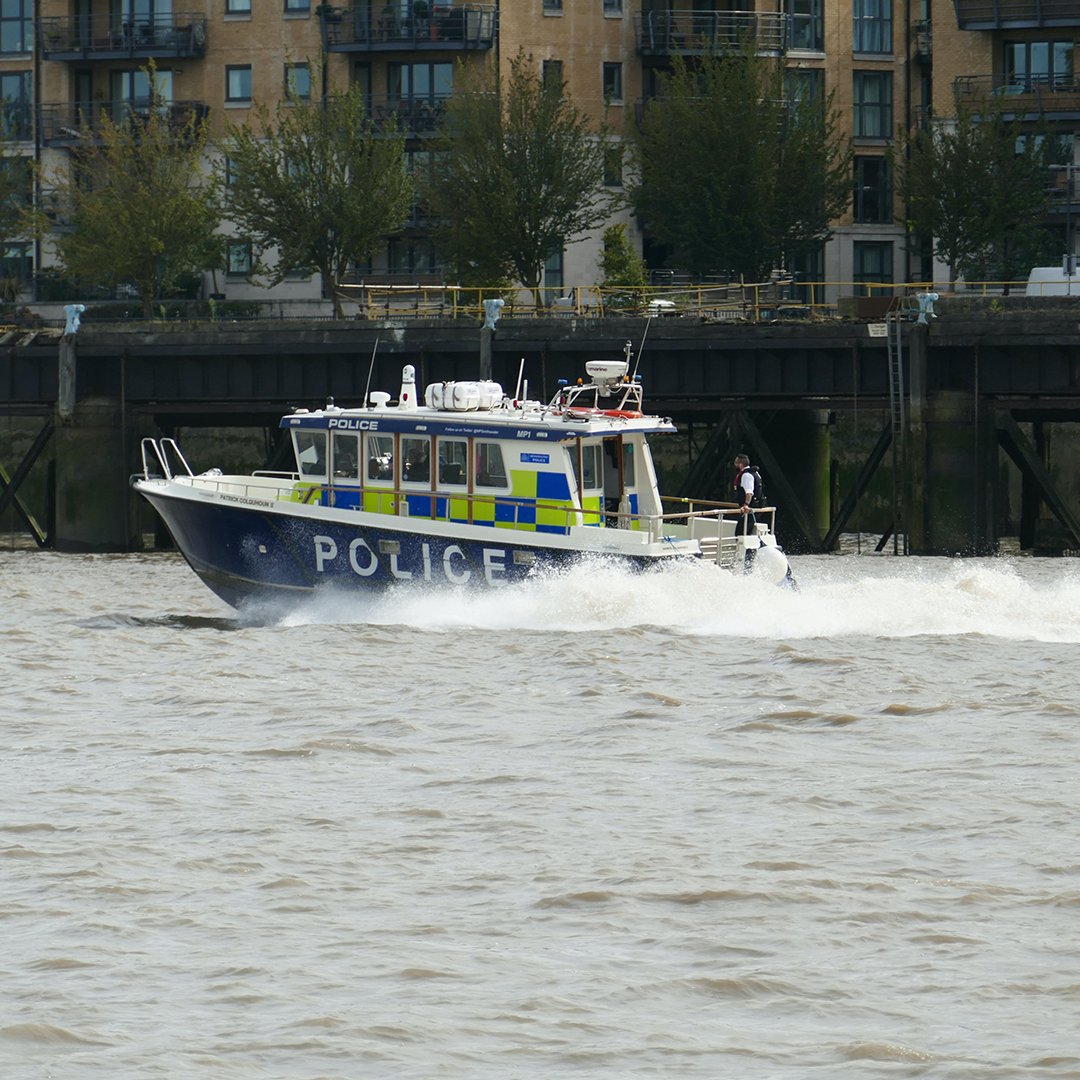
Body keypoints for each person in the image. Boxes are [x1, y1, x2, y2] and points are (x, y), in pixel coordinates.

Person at [733, 453, 757, 537]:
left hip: (749, 509)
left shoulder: (746, 475)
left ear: (740, 464)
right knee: (743, 532)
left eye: (736, 463)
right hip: (753, 508)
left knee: (740, 533)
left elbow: (749, 492)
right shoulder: (754, 473)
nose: (734, 465)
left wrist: (746, 504)